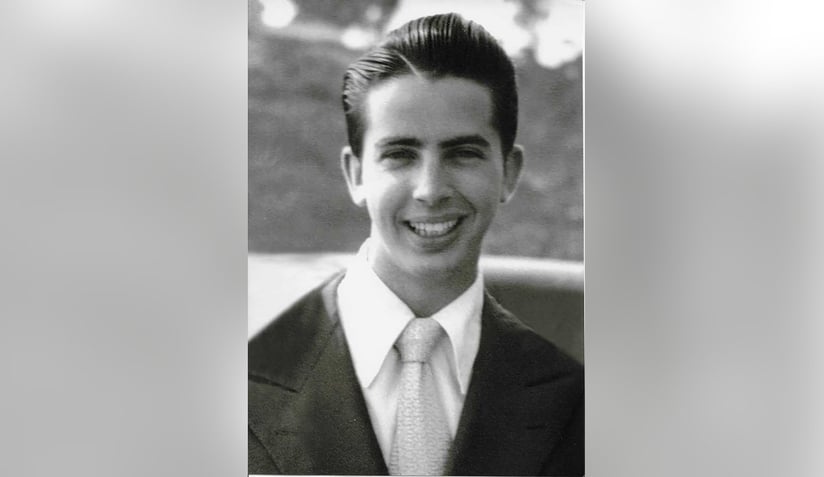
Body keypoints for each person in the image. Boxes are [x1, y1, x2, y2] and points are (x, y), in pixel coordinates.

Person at [248, 13, 583, 476]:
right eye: (400, 155)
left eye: (463, 153)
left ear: (509, 172)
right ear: (356, 174)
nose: (430, 189)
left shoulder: (576, 404)